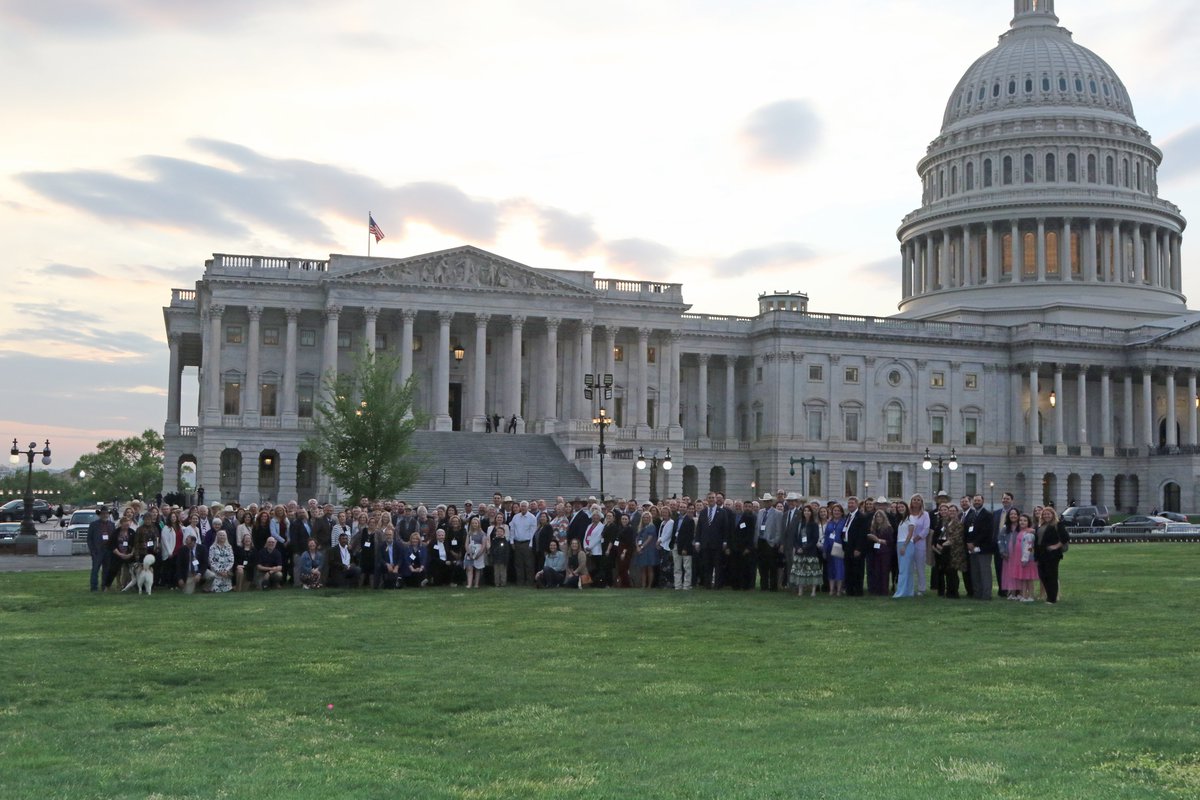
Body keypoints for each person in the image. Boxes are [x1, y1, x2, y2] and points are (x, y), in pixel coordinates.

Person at [894, 497, 929, 598]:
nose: (900, 508)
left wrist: (905, 545)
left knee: (903, 570)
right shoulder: (902, 519)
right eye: (898, 507)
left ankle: (900, 592)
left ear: (906, 507)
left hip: (907, 544)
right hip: (901, 543)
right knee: (907, 569)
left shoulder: (911, 518)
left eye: (902, 507)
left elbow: (910, 534)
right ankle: (908, 591)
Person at [964, 494, 995, 600]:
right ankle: (977, 593)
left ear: (983, 501)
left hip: (984, 548)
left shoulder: (988, 515)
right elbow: (969, 530)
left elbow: (986, 532)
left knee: (984, 572)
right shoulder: (972, 515)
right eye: (975, 500)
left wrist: (975, 543)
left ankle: (986, 594)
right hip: (972, 549)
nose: (976, 502)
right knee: (975, 572)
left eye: (978, 500)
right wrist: (968, 543)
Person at [1003, 513, 1039, 602]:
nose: (1022, 522)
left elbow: (1029, 547)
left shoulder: (1029, 533)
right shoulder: (1020, 532)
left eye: (1025, 520)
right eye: (1021, 520)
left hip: (1027, 559)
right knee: (1022, 578)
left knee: (1029, 579)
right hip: (1019, 559)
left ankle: (1030, 596)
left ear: (1028, 522)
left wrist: (1026, 558)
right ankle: (1023, 595)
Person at [790, 505, 823, 597]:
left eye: (808, 511)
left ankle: (813, 591)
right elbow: (795, 538)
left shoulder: (814, 524)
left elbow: (814, 539)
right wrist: (797, 548)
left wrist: (804, 548)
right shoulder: (800, 523)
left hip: (810, 552)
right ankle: (800, 591)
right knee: (800, 572)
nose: (806, 512)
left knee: (813, 572)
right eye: (805, 511)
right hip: (799, 552)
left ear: (811, 513)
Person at [1035, 507, 1065, 604]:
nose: (1046, 516)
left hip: (1052, 555)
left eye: (1048, 514)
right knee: (1042, 575)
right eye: (1044, 514)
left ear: (1053, 515)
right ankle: (1049, 596)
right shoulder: (1041, 525)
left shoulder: (1057, 524)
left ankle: (1052, 599)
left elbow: (1065, 537)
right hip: (1041, 554)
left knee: (1051, 576)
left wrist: (1056, 546)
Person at [866, 508, 896, 596]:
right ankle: (877, 589)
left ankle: (884, 590)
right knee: (877, 571)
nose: (878, 518)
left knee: (884, 571)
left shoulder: (888, 528)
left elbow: (890, 542)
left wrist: (878, 540)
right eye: (877, 517)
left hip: (885, 552)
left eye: (880, 516)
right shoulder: (874, 528)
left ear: (884, 518)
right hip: (876, 552)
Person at [87, 506, 115, 592]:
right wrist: (92, 551)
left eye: (106, 513)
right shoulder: (93, 525)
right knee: (95, 569)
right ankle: (94, 587)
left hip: (108, 551)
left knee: (106, 570)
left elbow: (114, 538)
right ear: (100, 514)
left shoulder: (112, 525)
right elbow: (89, 539)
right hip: (97, 551)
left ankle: (104, 586)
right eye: (103, 514)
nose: (105, 515)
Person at [822, 505, 846, 596]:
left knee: (839, 569)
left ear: (842, 512)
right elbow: (826, 536)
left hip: (839, 548)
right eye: (834, 510)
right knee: (830, 569)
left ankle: (839, 590)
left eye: (838, 511)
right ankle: (831, 589)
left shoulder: (844, 522)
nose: (836, 512)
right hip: (829, 548)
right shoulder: (829, 523)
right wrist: (824, 549)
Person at [633, 512, 658, 589]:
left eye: (647, 517)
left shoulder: (651, 527)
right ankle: (643, 585)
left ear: (650, 518)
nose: (645, 519)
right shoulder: (641, 527)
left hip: (649, 550)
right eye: (644, 517)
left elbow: (649, 539)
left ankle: (649, 585)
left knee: (649, 568)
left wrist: (642, 547)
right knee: (642, 568)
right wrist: (637, 547)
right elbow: (637, 538)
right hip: (641, 550)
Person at [464, 517, 488, 589]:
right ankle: (469, 584)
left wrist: (479, 554)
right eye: (473, 523)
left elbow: (484, 545)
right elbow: (466, 544)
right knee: (469, 569)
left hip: (479, 553)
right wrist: (469, 553)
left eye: (476, 523)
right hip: (470, 552)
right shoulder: (469, 533)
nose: (474, 524)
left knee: (478, 569)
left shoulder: (482, 534)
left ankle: (476, 584)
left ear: (478, 524)